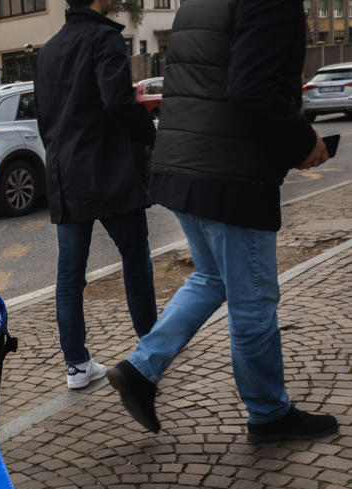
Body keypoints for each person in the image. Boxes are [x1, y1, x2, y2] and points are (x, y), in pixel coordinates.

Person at [106, 0, 338, 444]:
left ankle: (140, 369)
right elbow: (251, 89)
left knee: (212, 278)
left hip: (183, 165)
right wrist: (302, 140)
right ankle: (269, 414)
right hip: (231, 174)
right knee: (253, 301)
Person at [32, 0, 158, 390]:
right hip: (109, 171)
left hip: (64, 175)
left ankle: (77, 366)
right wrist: (150, 133)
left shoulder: (47, 50)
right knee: (136, 260)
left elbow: (44, 119)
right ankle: (151, 349)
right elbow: (118, 101)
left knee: (70, 275)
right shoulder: (104, 38)